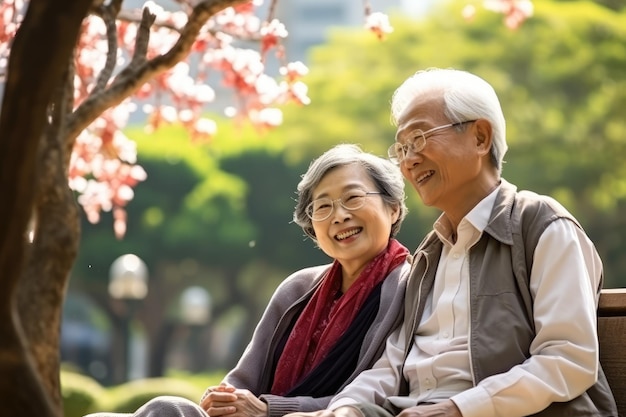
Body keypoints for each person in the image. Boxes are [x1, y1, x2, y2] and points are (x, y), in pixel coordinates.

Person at [286, 68, 618, 417]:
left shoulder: (541, 225)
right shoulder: (430, 255)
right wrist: (345, 409)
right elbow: (390, 365)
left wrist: (458, 409)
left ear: (479, 137)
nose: (408, 161)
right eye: (401, 148)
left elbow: (568, 358)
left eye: (419, 139)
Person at [85, 143, 413, 417]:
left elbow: (376, 397)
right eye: (323, 206)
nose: (339, 215)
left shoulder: (410, 287)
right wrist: (225, 399)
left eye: (353, 198)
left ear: (394, 208)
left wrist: (270, 409)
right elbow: (243, 381)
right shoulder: (299, 288)